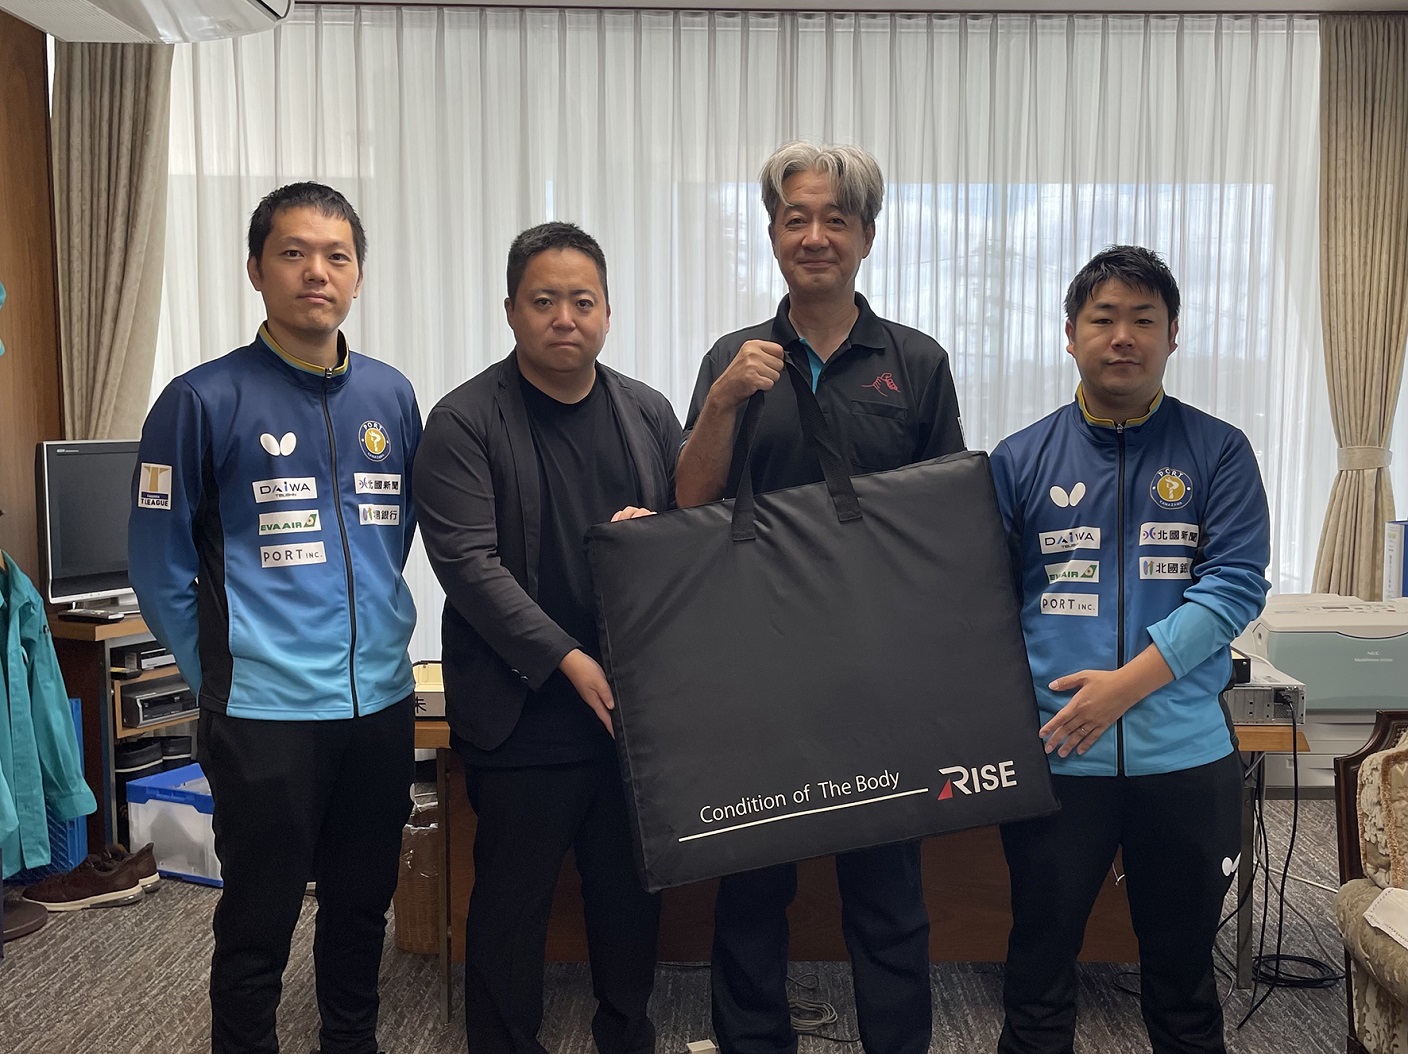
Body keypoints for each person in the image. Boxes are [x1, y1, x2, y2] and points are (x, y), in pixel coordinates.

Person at [676, 141, 964, 1054]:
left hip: (878, 672)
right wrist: (722, 403)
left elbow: (945, 522)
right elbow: (690, 504)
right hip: (758, 669)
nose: (814, 236)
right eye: (795, 218)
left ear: (866, 237)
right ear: (772, 234)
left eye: (834, 219)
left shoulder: (915, 362)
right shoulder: (732, 358)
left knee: (888, 891)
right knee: (752, 884)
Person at [129, 182, 421, 1054]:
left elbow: (394, 538)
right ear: (257, 269)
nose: (315, 272)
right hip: (262, 715)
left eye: (336, 256)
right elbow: (159, 567)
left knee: (362, 907)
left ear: (359, 276)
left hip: (380, 705)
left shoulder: (392, 395)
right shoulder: (199, 400)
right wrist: (221, 674)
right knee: (259, 919)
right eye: (293, 253)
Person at [989, 245, 1271, 1054]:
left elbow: (1233, 587)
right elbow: (988, 605)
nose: (1123, 337)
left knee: (1183, 982)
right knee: (1038, 974)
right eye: (1103, 318)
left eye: (1143, 320)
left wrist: (1125, 686)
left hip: (1184, 761)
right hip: (1056, 759)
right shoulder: (1019, 459)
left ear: (1172, 335)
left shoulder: (1219, 450)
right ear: (1070, 335)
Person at [413, 221, 680, 1054]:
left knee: (630, 894)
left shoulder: (647, 410)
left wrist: (657, 534)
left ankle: (626, 1033)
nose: (565, 317)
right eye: (544, 300)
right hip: (522, 710)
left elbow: (689, 536)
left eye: (583, 301)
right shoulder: (463, 421)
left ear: (607, 313)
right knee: (511, 903)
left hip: (627, 712)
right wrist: (568, 659)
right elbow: (468, 565)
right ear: (510, 311)